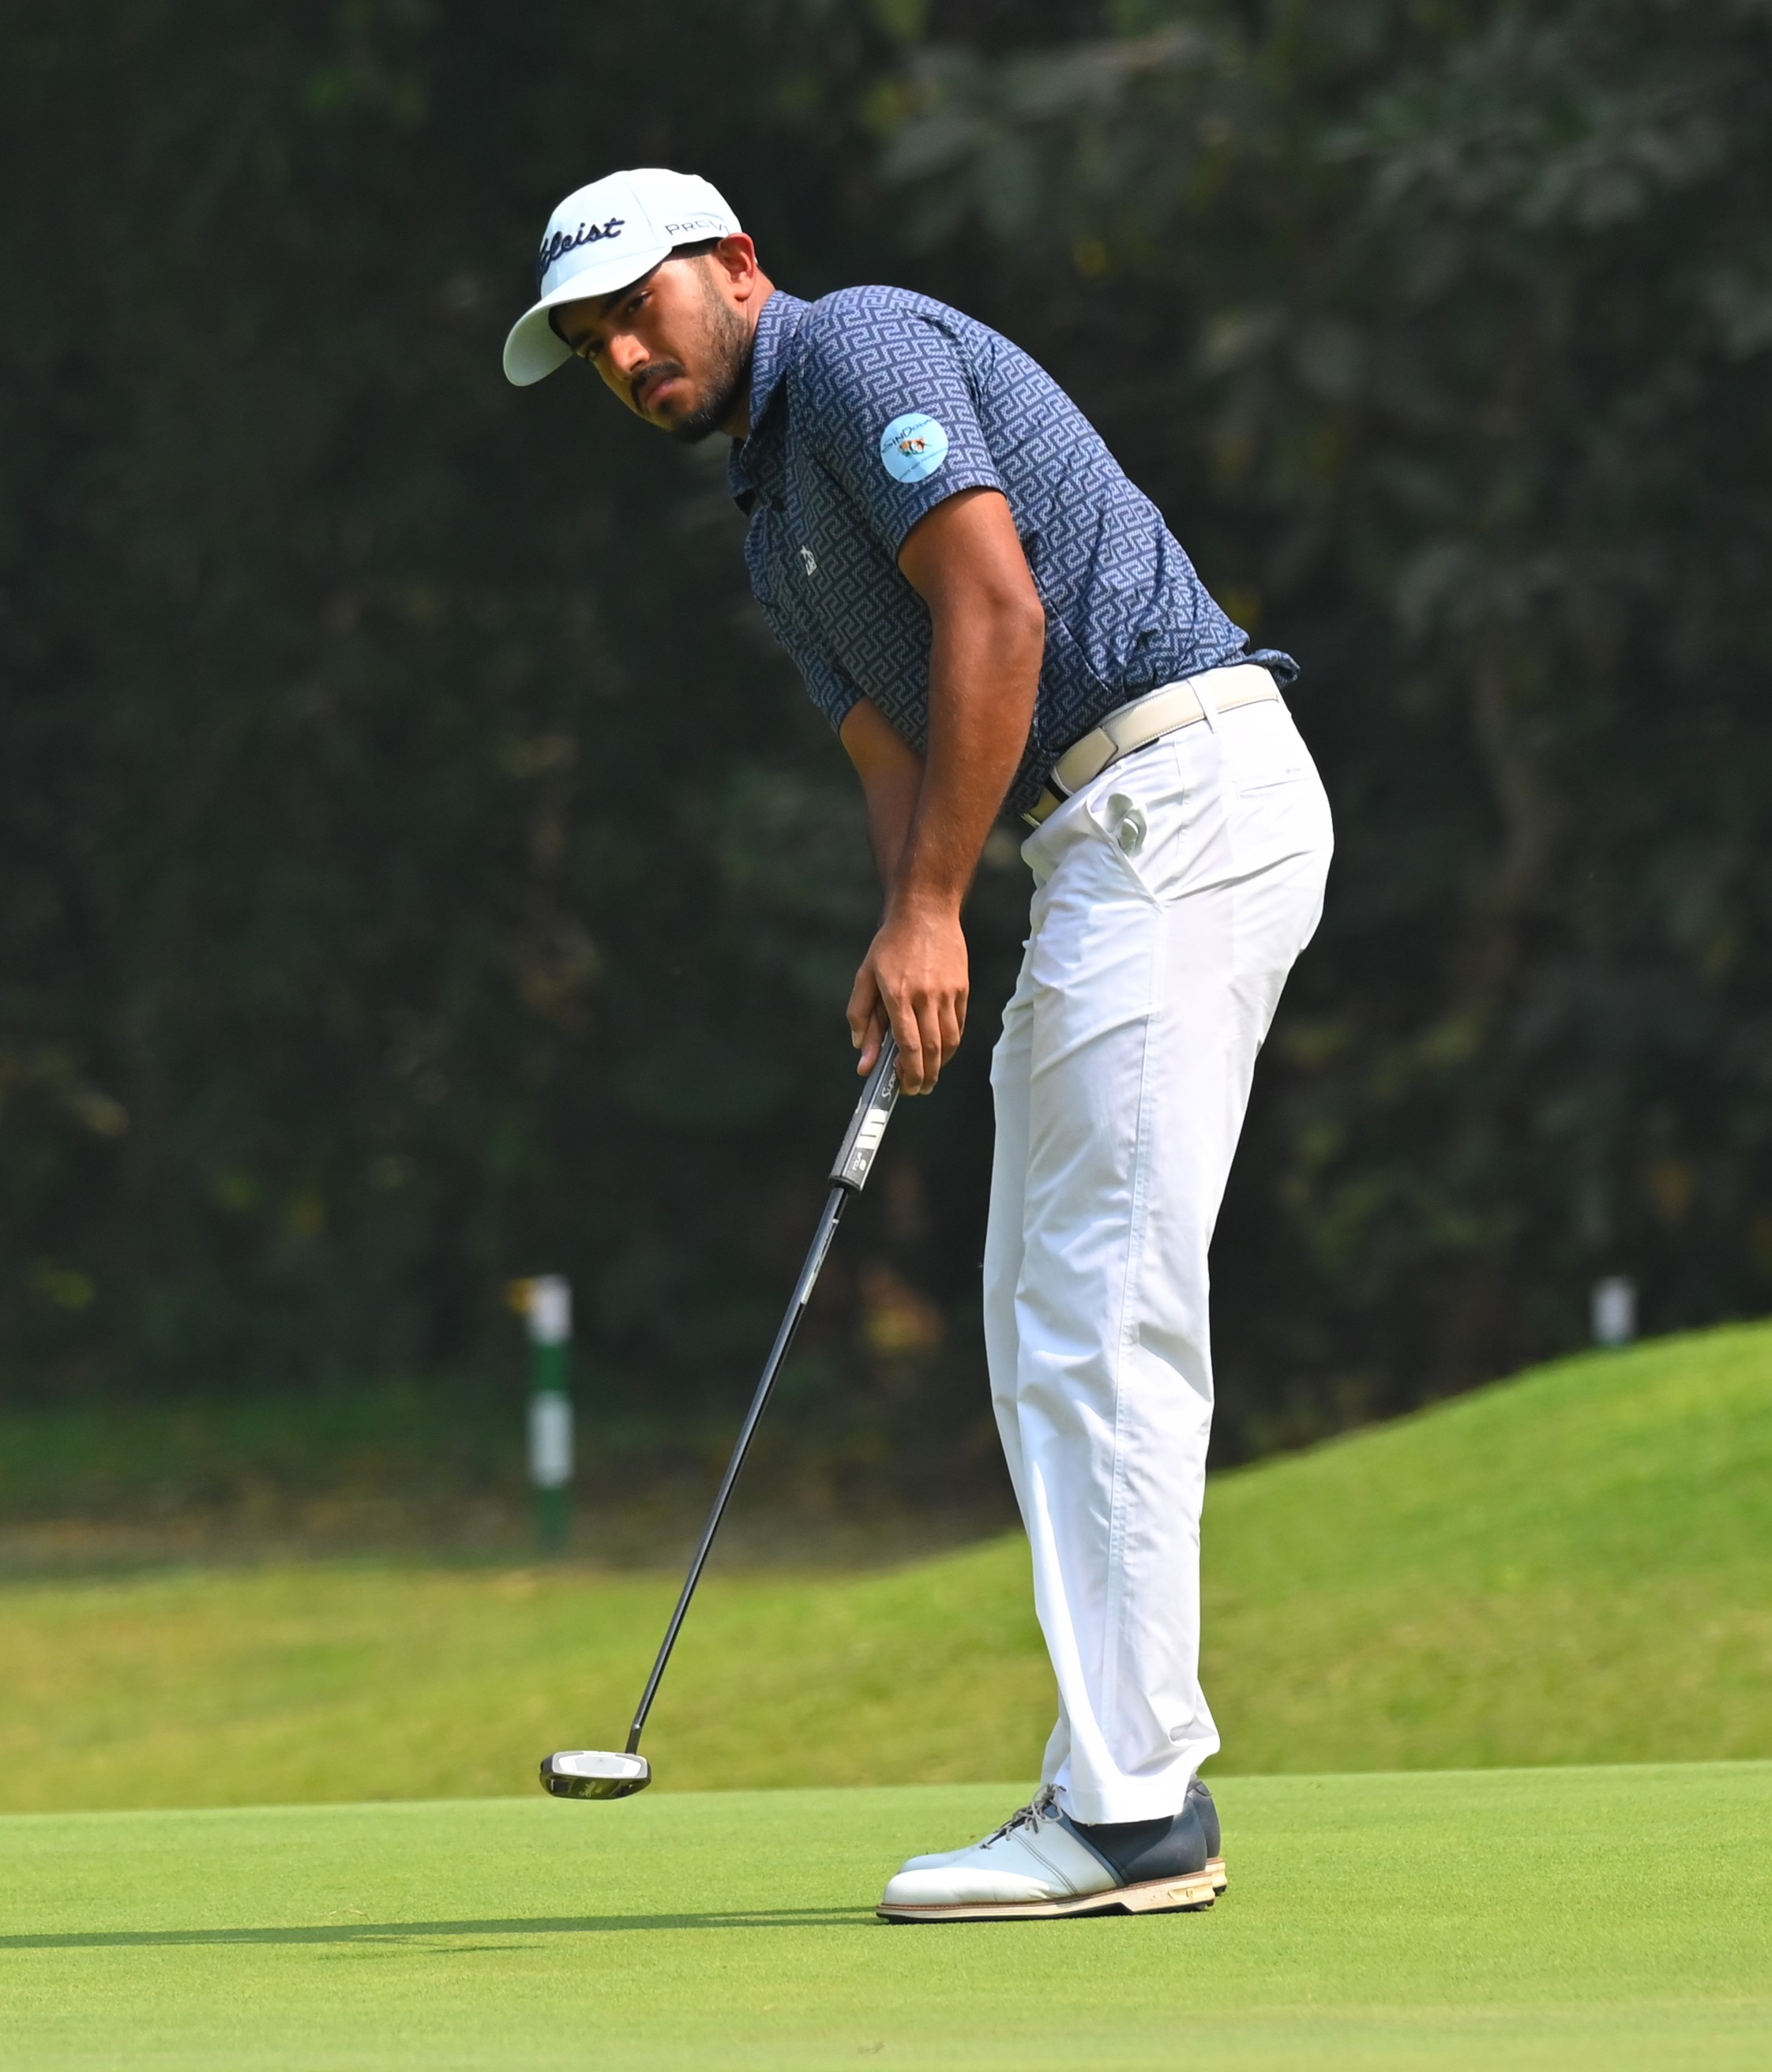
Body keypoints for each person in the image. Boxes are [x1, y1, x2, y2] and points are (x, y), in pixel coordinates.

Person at [503, 168, 1332, 1922]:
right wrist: (906, 929)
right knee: (1042, 1312)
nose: (626, 355)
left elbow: (998, 612)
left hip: (1177, 796)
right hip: (1102, 843)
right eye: (589, 344)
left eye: (640, 307)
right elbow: (894, 750)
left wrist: (942, 905)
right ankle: (1126, 1779)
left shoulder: (861, 351)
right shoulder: (766, 521)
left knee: (1099, 1306)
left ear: (739, 267)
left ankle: (1129, 1807)